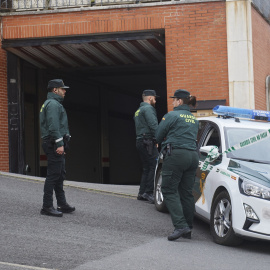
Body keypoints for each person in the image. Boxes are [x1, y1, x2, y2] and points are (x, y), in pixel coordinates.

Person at [155, 89, 199, 241]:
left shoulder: (171, 115)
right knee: (186, 193)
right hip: (193, 156)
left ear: (179, 101)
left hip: (176, 156)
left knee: (168, 189)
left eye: (174, 100)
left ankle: (180, 226)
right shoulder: (194, 119)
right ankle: (188, 229)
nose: (172, 102)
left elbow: (158, 135)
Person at [39, 79, 75, 217]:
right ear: (55, 90)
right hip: (54, 143)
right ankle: (47, 206)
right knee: (53, 175)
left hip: (55, 142)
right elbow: (53, 126)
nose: (65, 91)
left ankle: (62, 204)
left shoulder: (51, 103)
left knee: (59, 175)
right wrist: (60, 144)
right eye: (62, 89)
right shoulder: (53, 104)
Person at [134, 89, 159, 204]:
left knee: (146, 167)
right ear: (150, 98)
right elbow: (153, 125)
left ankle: (142, 193)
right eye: (154, 98)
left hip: (140, 141)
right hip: (148, 142)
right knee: (153, 165)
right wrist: (159, 138)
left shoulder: (138, 110)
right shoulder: (148, 109)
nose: (155, 100)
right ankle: (149, 192)